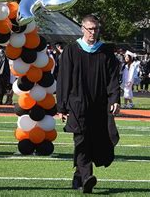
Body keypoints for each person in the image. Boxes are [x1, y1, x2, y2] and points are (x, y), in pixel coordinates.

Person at [57, 15, 120, 193]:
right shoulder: (72, 50)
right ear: (82, 29)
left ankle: (78, 175)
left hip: (99, 105)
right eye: (90, 29)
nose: (93, 32)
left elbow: (113, 78)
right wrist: (61, 106)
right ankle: (87, 178)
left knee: (95, 140)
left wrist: (114, 99)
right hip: (77, 103)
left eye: (96, 29)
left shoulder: (105, 52)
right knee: (81, 139)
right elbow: (63, 79)